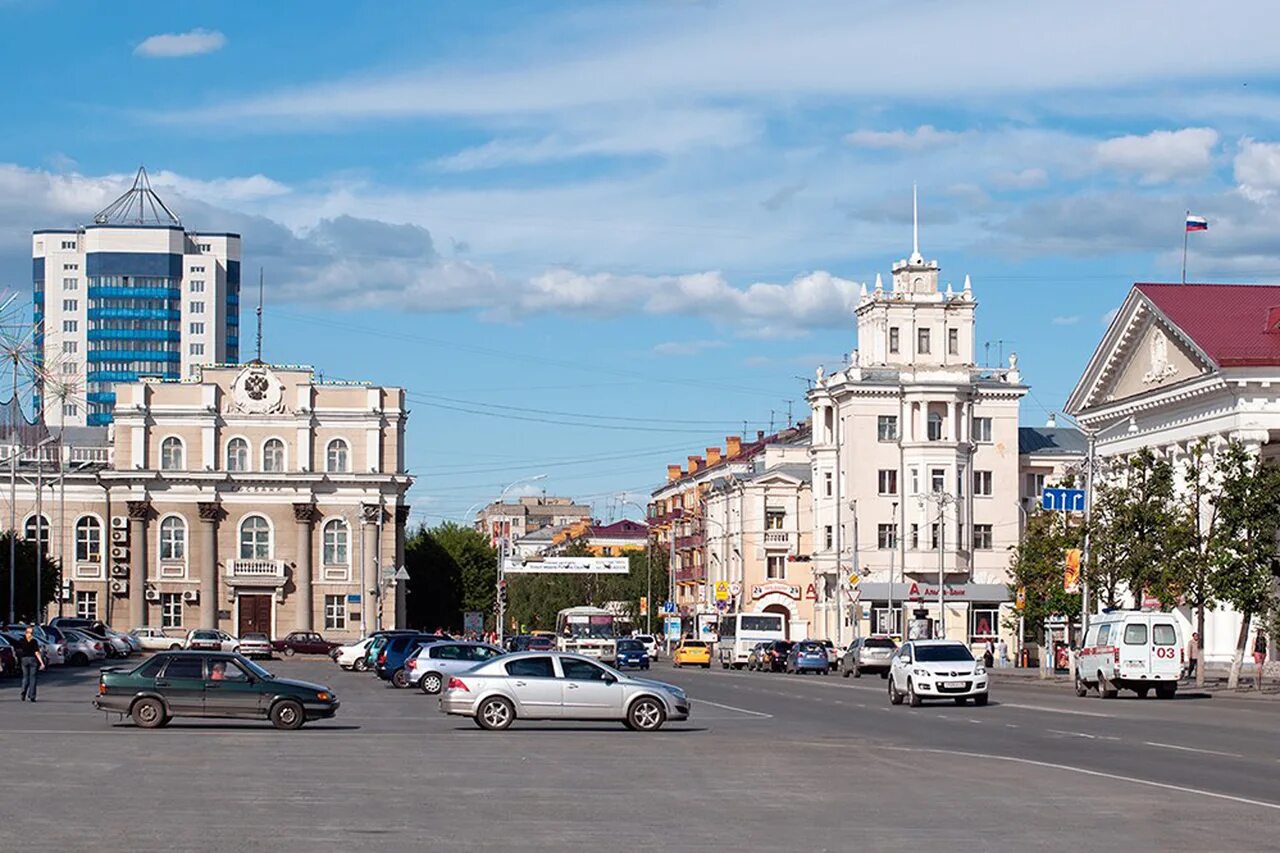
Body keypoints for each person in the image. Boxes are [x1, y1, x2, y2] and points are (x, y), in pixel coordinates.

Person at [16, 625, 46, 702]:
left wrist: (20, 658)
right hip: (32, 660)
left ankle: (23, 692)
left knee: (25, 677)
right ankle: (32, 695)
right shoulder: (34, 641)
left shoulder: (21, 641)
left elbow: (18, 650)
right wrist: (41, 663)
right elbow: (37, 653)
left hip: (24, 659)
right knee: (33, 678)